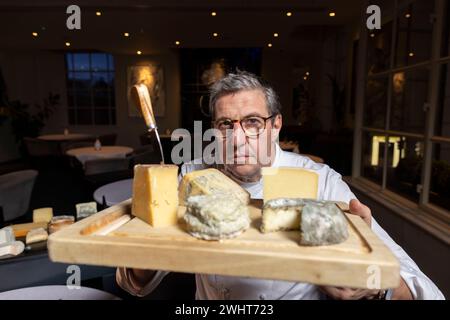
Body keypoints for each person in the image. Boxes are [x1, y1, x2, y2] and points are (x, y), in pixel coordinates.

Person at [117, 71, 444, 300]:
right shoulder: (188, 176)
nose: (238, 138)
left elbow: (421, 291)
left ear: (276, 126)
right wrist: (146, 248)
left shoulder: (322, 182)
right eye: (225, 124)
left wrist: (373, 287)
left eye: (253, 123)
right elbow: (133, 283)